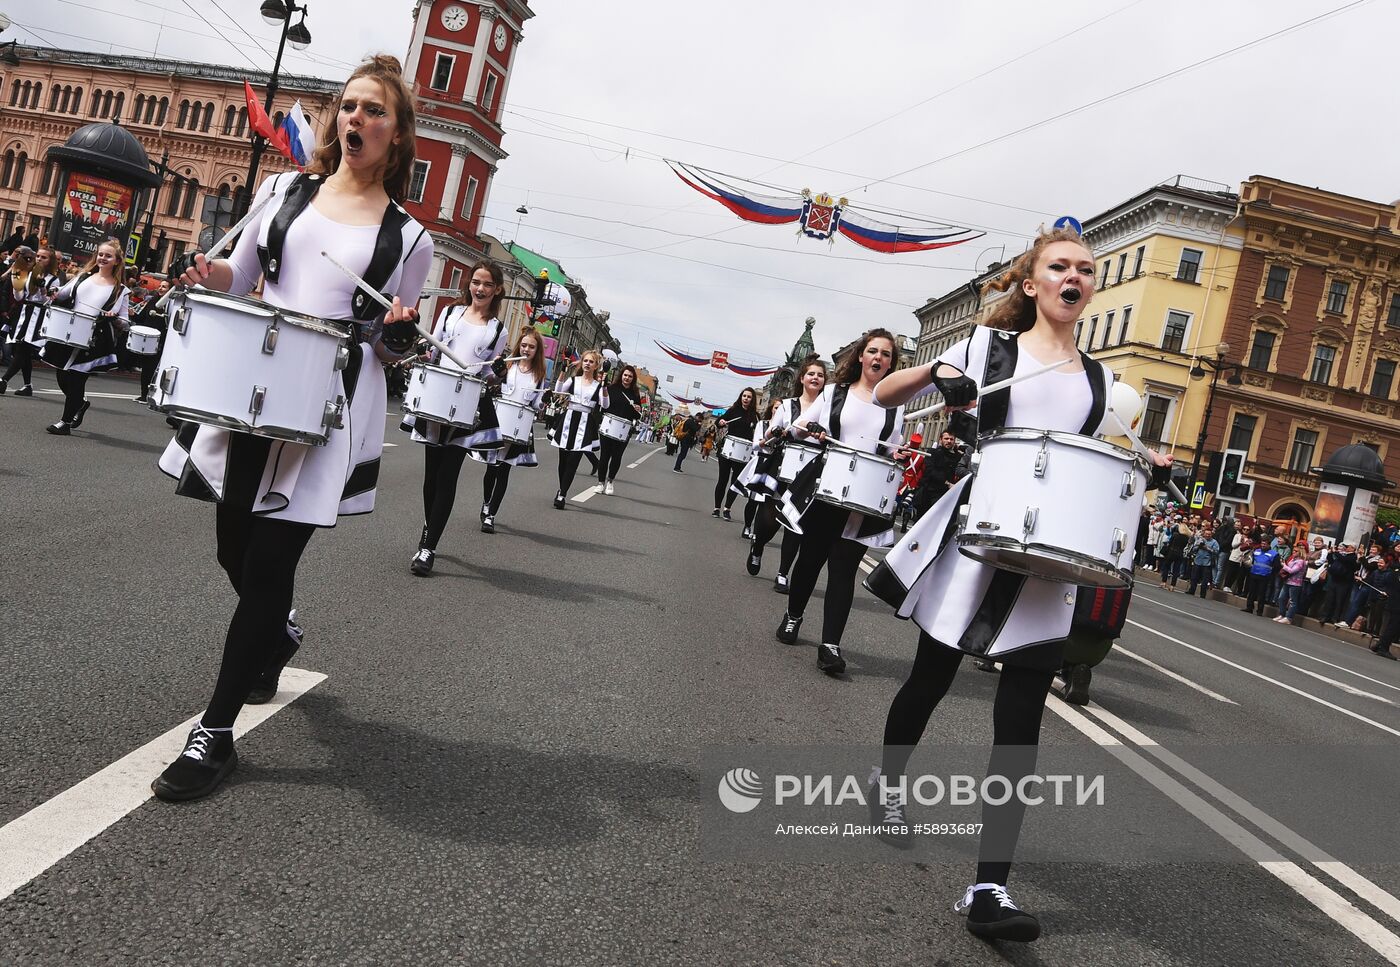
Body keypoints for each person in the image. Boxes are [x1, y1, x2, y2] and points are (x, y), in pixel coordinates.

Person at [858, 228, 1173, 941]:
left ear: (1093, 287)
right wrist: (937, 377)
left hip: (1049, 561)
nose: (1075, 276)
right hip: (979, 535)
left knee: (1020, 724)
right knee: (929, 679)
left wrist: (1148, 460)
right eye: (1060, 266)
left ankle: (988, 887)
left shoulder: (1103, 384)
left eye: (1086, 270)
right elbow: (884, 390)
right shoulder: (987, 349)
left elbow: (1107, 459)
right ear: (1032, 284)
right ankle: (887, 782)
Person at [150, 54, 433, 802]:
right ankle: (276, 634)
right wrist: (201, 274)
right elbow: (239, 276)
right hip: (249, 386)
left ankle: (213, 733)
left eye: (375, 111)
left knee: (270, 566)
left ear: (397, 136)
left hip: (325, 406)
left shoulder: (408, 238)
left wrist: (400, 331)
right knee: (231, 549)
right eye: (350, 106)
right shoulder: (284, 190)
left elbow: (389, 343)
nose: (357, 119)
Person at [775, 329, 906, 674]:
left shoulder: (895, 406)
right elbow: (799, 427)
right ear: (861, 356)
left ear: (892, 363)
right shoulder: (834, 393)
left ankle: (830, 645)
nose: (879, 358)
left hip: (861, 502)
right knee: (809, 563)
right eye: (873, 351)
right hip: (826, 491)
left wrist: (899, 455)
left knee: (843, 571)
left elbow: (891, 451)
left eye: (886, 355)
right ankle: (793, 616)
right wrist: (811, 430)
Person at [406, 260, 509, 575]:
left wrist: (497, 372)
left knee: (448, 476)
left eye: (487, 284)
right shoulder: (450, 313)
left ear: (497, 290)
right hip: (437, 398)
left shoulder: (498, 331)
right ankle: (429, 527)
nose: (479, 288)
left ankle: (428, 548)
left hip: (467, 405)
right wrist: (422, 354)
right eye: (476, 282)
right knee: (431, 477)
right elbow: (434, 351)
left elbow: (490, 374)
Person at [746, 356, 828, 589]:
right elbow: (771, 430)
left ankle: (783, 573)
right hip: (783, 467)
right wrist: (776, 432)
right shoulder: (788, 404)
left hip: (810, 471)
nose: (815, 378)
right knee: (768, 523)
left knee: (795, 524)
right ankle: (758, 545)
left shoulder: (827, 409)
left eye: (820, 375)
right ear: (802, 378)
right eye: (811, 374)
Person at [40, 238, 128, 435]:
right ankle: (79, 405)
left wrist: (114, 318)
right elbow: (62, 295)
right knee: (62, 375)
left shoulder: (120, 289)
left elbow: (125, 321)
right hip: (68, 331)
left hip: (93, 338)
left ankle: (65, 423)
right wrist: (54, 294)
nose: (103, 258)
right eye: (101, 254)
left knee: (77, 379)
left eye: (108, 256)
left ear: (116, 261)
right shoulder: (82, 276)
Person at [476, 326, 548, 534]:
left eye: (531, 347)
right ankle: (486, 502)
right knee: (491, 467)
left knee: (504, 469)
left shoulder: (539, 374)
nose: (526, 349)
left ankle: (491, 515)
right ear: (519, 346)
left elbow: (535, 406)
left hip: (519, 426)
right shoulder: (509, 365)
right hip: (499, 420)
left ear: (537, 350)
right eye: (524, 345)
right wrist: (498, 373)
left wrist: (543, 401)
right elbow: (491, 384)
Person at [548, 348, 608, 508]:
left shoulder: (597, 385)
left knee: (573, 461)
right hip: (568, 419)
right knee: (563, 460)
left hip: (585, 422)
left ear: (596, 366)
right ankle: (562, 488)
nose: (588, 364)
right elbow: (558, 390)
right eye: (586, 361)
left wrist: (604, 385)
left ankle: (562, 494)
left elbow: (605, 404)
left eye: (591, 362)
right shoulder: (574, 380)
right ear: (582, 362)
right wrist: (563, 371)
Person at [1, 245, 64, 397]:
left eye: (44, 257)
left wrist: (42, 288)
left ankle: (3, 380)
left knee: (23, 349)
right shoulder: (29, 274)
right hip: (24, 313)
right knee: (21, 350)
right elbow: (19, 297)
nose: (40, 259)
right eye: (39, 256)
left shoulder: (54, 280)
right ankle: (28, 385)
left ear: (51, 261)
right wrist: (17, 285)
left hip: (38, 315)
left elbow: (48, 301)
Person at [711, 387, 758, 520]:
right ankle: (717, 507)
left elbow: (759, 431)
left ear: (752, 399)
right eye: (744, 396)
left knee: (735, 482)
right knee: (722, 480)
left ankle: (727, 508)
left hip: (743, 453)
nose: (746, 399)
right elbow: (719, 422)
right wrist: (720, 422)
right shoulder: (733, 410)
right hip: (728, 450)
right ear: (741, 397)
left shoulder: (755, 416)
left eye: (749, 397)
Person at [597, 363, 642, 495]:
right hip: (608, 425)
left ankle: (610, 481)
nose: (627, 378)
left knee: (617, 457)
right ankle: (600, 483)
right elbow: (604, 407)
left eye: (630, 376)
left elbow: (637, 415)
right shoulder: (611, 388)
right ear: (621, 375)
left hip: (624, 428)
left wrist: (638, 410)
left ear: (633, 379)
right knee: (604, 455)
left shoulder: (635, 394)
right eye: (625, 375)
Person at [129, 278, 170, 403]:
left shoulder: (170, 303)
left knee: (153, 368)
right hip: (148, 339)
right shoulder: (152, 300)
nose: (160, 288)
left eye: (164, 287)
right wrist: (133, 315)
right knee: (147, 367)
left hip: (161, 339)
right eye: (160, 286)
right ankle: (144, 395)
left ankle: (154, 396)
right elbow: (142, 318)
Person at [1241, 541, 1279, 616]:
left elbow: (1277, 566)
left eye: (1265, 544)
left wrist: (1271, 574)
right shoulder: (1256, 551)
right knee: (1251, 592)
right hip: (1254, 573)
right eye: (1262, 543)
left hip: (1265, 576)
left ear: (1269, 545)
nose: (1263, 545)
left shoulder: (1274, 554)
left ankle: (1260, 611)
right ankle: (1249, 607)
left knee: (1261, 594)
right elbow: (1250, 560)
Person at [1274, 543, 1309, 624]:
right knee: (1281, 598)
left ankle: (1289, 617)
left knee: (1293, 601)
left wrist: (1283, 565)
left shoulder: (1301, 562)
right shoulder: (1293, 560)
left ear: (1300, 552)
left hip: (1295, 583)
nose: (1293, 552)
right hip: (1287, 581)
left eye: (1296, 551)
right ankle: (1282, 614)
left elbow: (1292, 570)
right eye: (1293, 551)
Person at [1184, 525, 1219, 597]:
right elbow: (1193, 549)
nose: (1207, 535)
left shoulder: (1214, 542)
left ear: (1211, 534)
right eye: (1206, 534)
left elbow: (1216, 551)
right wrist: (1198, 546)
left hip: (1207, 563)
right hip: (1198, 560)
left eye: (1209, 534)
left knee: (1204, 580)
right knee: (1194, 577)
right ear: (1204, 534)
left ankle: (1203, 594)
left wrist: (1207, 548)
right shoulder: (1200, 539)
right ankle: (1192, 590)